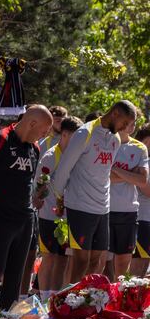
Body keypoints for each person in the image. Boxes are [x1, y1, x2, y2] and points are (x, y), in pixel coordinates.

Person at [0, 105, 50, 314]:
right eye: (43, 131)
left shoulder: (34, 148)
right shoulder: (0, 140)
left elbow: (27, 181)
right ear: (32, 123)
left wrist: (38, 194)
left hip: (25, 219)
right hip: (0, 217)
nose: (44, 136)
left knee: (16, 274)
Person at [54, 100, 137, 284]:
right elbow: (64, 169)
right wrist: (58, 198)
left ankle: (85, 302)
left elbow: (105, 173)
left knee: (96, 260)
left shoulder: (115, 139)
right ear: (115, 113)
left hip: (102, 208)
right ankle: (71, 305)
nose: (125, 128)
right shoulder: (85, 133)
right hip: (80, 205)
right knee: (80, 261)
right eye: (125, 123)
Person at [35, 116, 82, 293]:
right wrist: (40, 198)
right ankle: (45, 296)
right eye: (75, 137)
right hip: (48, 215)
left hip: (68, 217)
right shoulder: (50, 157)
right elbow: (40, 186)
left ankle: (57, 296)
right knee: (49, 258)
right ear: (64, 134)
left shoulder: (75, 156)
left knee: (63, 259)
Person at [109, 122, 150, 278]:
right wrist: (130, 174)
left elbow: (142, 181)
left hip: (130, 213)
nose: (131, 126)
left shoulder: (140, 149)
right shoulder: (108, 144)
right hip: (105, 208)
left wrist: (116, 170)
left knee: (124, 262)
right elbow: (104, 176)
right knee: (103, 260)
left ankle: (121, 297)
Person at [132, 125, 150, 277]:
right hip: (142, 220)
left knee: (143, 269)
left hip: (146, 221)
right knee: (136, 271)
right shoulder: (142, 160)